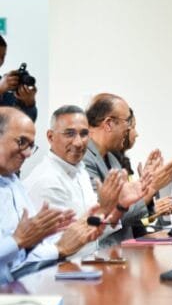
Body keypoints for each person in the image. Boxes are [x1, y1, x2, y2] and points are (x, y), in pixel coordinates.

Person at [23, 105, 147, 258]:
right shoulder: (46, 180)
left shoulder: (79, 169)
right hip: (62, 269)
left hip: (88, 263)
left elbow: (94, 232)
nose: (78, 142)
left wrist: (120, 206)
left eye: (84, 134)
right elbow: (62, 247)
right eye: (69, 134)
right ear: (50, 137)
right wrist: (105, 209)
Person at [0, 107, 102, 284]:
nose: (27, 154)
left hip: (21, 287)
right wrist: (18, 241)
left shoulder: (13, 183)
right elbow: (17, 251)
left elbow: (21, 261)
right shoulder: (44, 178)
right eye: (21, 142)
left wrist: (47, 242)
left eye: (31, 146)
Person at [83, 93, 172, 239]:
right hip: (101, 250)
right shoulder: (84, 159)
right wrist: (150, 188)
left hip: (126, 246)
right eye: (128, 122)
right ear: (109, 124)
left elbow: (128, 215)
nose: (130, 129)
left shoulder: (112, 159)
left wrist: (144, 185)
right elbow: (104, 219)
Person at [0, 35, 37, 121]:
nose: (0, 61)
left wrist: (29, 102)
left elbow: (26, 122)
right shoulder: (3, 86)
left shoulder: (7, 89)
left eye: (3, 56)